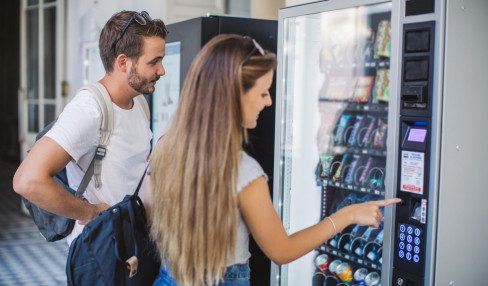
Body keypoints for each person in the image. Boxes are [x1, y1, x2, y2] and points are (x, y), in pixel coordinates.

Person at [145, 34, 401, 286]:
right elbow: (281, 250)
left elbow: (151, 212)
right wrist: (347, 215)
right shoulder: (241, 170)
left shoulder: (166, 147)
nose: (268, 102)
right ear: (233, 95)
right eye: (263, 92)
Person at [13, 10, 168, 246]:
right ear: (123, 62)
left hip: (132, 242)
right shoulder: (89, 109)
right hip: (100, 250)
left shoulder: (139, 103)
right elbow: (27, 180)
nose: (162, 70)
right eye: (154, 62)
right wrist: (92, 212)